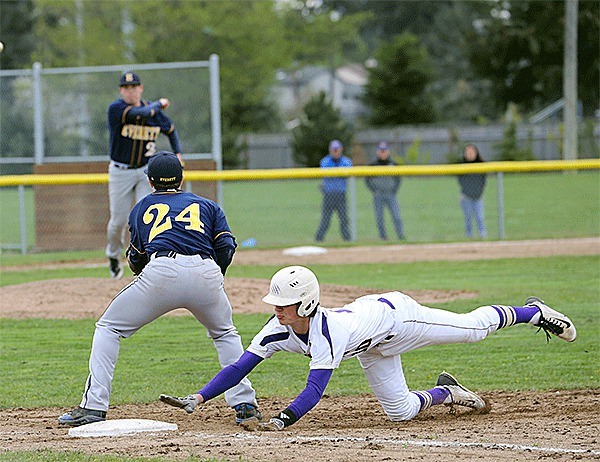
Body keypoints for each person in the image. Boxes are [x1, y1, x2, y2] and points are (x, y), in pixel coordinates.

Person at [160, 265, 576, 431]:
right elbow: (240, 367)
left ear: (304, 303)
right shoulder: (276, 329)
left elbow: (314, 391)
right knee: (400, 413)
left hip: (398, 320)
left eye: (283, 305)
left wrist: (283, 420)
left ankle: (533, 312)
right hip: (372, 345)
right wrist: (199, 397)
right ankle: (448, 393)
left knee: (472, 330)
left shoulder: (325, 334)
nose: (276, 310)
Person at [58, 151, 261, 427]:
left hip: (163, 270)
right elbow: (226, 246)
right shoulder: (208, 206)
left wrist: (151, 281)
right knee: (225, 333)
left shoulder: (141, 207)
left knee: (109, 328)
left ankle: (93, 406)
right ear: (182, 177)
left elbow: (136, 259)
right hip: (207, 272)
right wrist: (215, 277)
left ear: (150, 181)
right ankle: (245, 404)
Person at [106, 71, 184, 279]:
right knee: (118, 221)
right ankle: (113, 255)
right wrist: (160, 103)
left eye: (134, 87)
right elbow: (138, 115)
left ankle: (146, 260)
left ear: (141, 88)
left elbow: (171, 129)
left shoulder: (154, 113)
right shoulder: (116, 109)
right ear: (121, 91)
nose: (130, 91)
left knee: (146, 215)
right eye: (126, 88)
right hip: (120, 171)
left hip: (144, 172)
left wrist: (178, 152)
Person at [315, 139, 353, 242]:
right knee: (326, 219)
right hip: (329, 194)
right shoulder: (325, 161)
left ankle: (347, 239)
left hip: (341, 194)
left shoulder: (346, 161)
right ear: (330, 150)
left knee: (344, 219)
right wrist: (339, 174)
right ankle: (319, 239)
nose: (335, 151)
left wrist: (336, 174)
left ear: (341, 149)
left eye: (337, 149)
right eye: (333, 149)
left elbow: (347, 173)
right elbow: (328, 173)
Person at [365, 141, 405, 240]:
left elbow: (398, 179)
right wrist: (374, 190)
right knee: (379, 218)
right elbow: (367, 180)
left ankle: (401, 236)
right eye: (381, 151)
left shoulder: (393, 164)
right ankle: (383, 237)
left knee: (396, 216)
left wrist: (394, 190)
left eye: (384, 150)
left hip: (390, 194)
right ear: (377, 152)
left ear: (388, 152)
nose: (383, 153)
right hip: (378, 194)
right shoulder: (373, 165)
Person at [457, 144, 487, 238]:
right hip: (466, 197)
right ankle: (469, 236)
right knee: (468, 218)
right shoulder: (462, 166)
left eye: (472, 152)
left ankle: (483, 235)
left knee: (480, 217)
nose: (469, 154)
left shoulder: (481, 166)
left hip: (478, 197)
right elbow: (460, 180)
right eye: (467, 152)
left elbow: (483, 180)